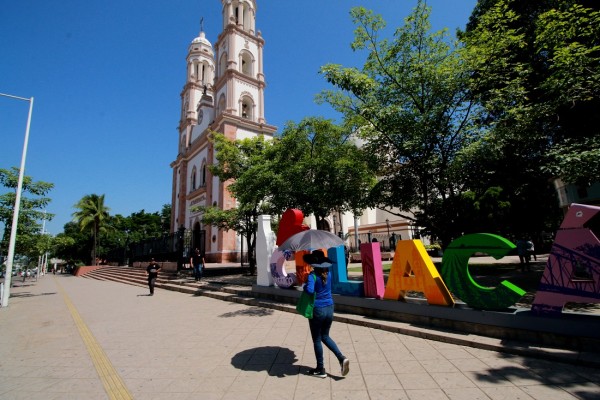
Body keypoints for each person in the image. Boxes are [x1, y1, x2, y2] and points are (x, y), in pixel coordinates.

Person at [302, 250, 350, 378]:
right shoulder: (328, 274)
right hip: (330, 308)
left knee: (317, 339)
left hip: (318, 309)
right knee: (325, 336)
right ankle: (341, 358)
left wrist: (305, 285)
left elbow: (310, 290)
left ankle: (320, 369)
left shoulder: (312, 276)